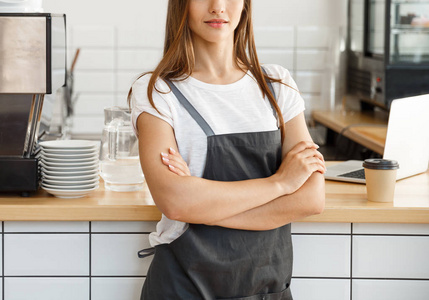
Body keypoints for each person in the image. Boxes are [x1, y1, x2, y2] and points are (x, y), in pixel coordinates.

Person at [128, 0, 326, 299]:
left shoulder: (277, 85)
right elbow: (174, 200)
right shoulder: (157, 90)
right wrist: (281, 182)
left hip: (267, 290)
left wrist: (199, 205)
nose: (218, 6)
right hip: (182, 288)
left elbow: (310, 199)